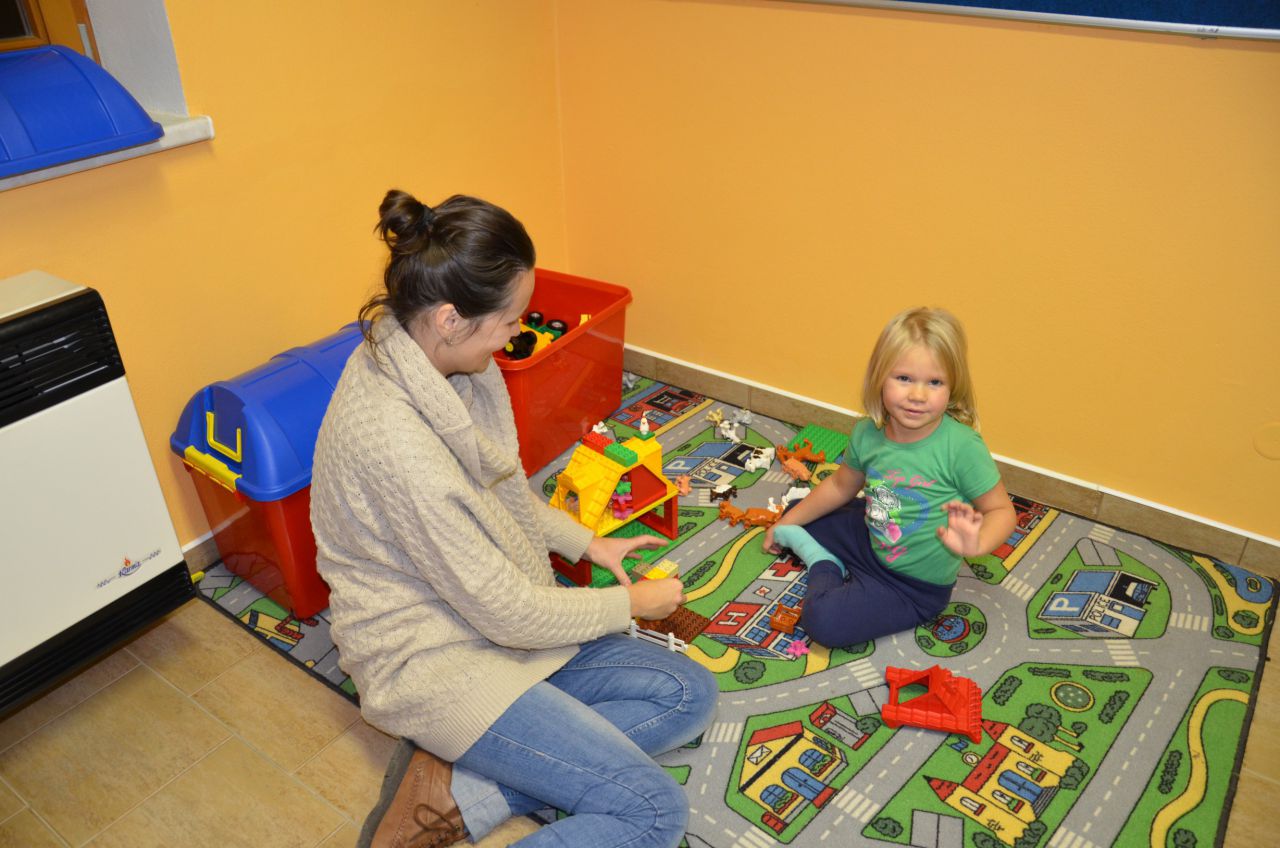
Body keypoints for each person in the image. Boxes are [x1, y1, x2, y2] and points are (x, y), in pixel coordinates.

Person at [310, 189, 718, 848]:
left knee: (686, 692)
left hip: (488, 620)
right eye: (509, 320)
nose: (517, 334)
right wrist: (629, 605)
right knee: (652, 813)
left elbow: (492, 491)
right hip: (436, 661)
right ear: (450, 319)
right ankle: (462, 760)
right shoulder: (398, 446)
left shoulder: (433, 358)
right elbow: (509, 614)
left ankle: (459, 791)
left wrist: (585, 543)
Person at [763, 307, 1016, 648]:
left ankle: (824, 563)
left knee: (822, 623)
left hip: (912, 587)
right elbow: (840, 485)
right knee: (796, 514)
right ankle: (833, 549)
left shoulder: (962, 447)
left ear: (953, 386)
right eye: (904, 378)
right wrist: (786, 522)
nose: (918, 395)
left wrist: (978, 544)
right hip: (871, 538)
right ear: (879, 377)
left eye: (935, 382)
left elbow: (1001, 510)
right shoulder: (868, 432)